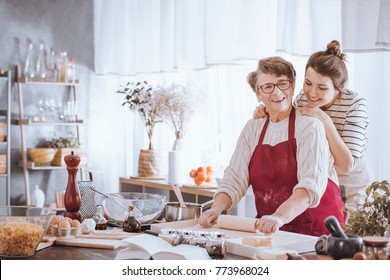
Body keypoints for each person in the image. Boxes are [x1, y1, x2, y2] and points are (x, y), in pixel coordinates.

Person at [199, 56, 345, 236]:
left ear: (292, 86)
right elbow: (234, 179)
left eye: (282, 83)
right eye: (267, 87)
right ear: (259, 95)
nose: (276, 93)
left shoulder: (309, 126)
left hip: (314, 230)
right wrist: (217, 208)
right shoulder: (252, 129)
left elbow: (310, 186)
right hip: (270, 228)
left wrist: (279, 216)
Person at [253, 40, 374, 216]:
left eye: (322, 87)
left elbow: (346, 165)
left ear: (339, 88)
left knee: (350, 237)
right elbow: (290, 125)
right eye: (308, 83)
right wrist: (266, 110)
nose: (312, 93)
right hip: (321, 178)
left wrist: (324, 120)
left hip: (352, 183)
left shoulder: (355, 104)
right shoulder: (303, 98)